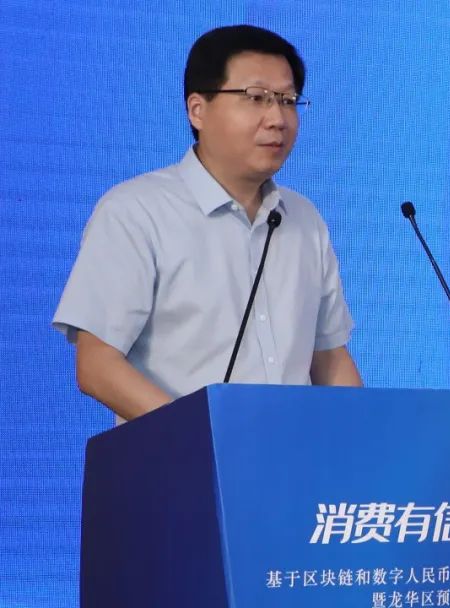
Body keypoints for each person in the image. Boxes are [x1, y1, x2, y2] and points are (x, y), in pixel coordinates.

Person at [53, 25, 362, 422]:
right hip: (182, 457)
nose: (278, 119)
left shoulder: (304, 219)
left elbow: (329, 358)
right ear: (197, 110)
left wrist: (359, 442)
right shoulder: (136, 211)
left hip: (293, 457)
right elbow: (97, 366)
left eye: (288, 101)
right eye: (256, 98)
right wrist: (201, 441)